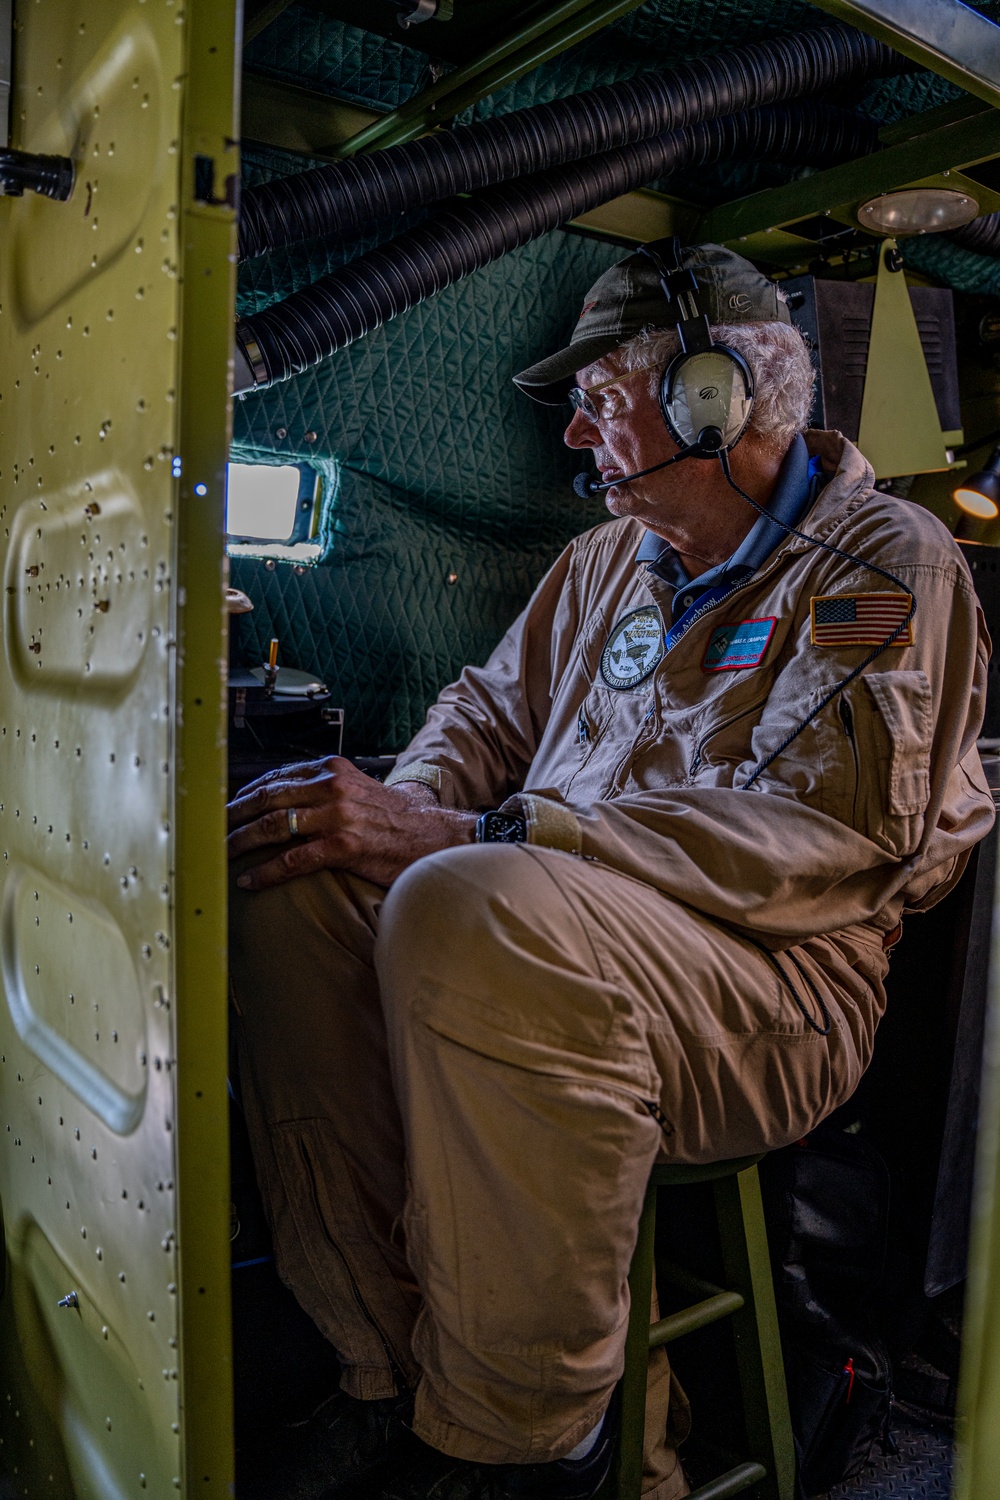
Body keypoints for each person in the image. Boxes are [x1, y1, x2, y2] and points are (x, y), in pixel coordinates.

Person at [227, 243, 994, 1500]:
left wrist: (483, 844)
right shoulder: (602, 564)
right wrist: (400, 812)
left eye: (600, 392)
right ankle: (384, 1369)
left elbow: (826, 837)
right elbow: (482, 713)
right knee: (294, 871)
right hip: (534, 921)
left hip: (774, 990)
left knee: (472, 903)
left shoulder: (884, 565)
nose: (577, 430)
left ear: (717, 396)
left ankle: (535, 1448)